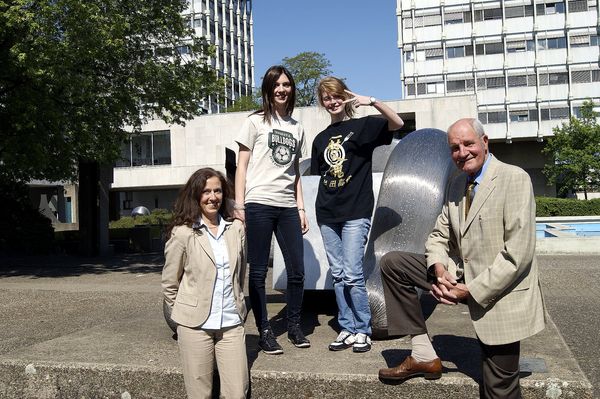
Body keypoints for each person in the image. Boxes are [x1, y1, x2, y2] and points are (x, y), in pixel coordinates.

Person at [377, 118, 546, 398]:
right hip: (461, 273)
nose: (462, 152)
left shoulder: (514, 179)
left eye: (468, 144)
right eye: (454, 148)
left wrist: (470, 291)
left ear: (485, 142)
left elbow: (518, 255)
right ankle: (422, 353)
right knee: (394, 264)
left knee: (498, 389)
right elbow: (438, 236)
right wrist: (439, 268)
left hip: (500, 290)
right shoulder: (457, 184)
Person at [310, 77, 404, 353]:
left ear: (346, 97)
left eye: (336, 96)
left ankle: (363, 328)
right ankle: (347, 327)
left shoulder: (364, 126)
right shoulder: (319, 139)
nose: (332, 102)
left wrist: (372, 101)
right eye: (326, 98)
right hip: (327, 213)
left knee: (352, 273)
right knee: (337, 274)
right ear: (322, 102)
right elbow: (322, 176)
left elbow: (397, 123)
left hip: (355, 212)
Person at [234, 65, 310, 355]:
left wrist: (301, 208)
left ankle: (293, 326)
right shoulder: (254, 122)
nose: (282, 89)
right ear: (268, 89)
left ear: (291, 89)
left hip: (288, 205)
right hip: (259, 203)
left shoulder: (297, 127)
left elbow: (296, 172)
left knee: (297, 271)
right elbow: (241, 166)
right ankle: (264, 330)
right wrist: (240, 205)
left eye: (286, 84)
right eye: (276, 84)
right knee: (257, 272)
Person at [162, 168, 248, 399]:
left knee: (237, 393)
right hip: (194, 326)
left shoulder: (236, 229)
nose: (213, 197)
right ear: (196, 195)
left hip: (230, 323)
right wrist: (184, 312)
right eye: (206, 191)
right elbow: (170, 283)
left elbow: (240, 275)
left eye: (218, 191)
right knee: (200, 394)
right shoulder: (182, 233)